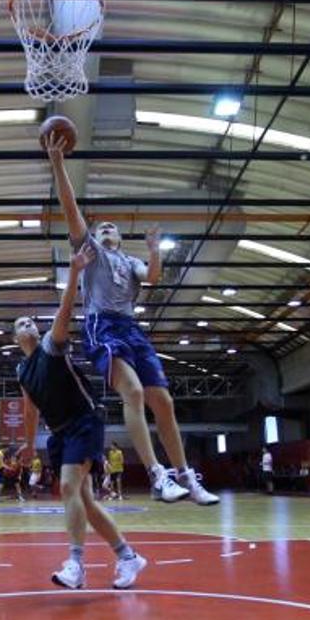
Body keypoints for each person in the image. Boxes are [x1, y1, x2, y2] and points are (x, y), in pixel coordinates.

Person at [45, 132, 217, 506]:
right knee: (134, 392)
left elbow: (153, 277)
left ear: (121, 238)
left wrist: (156, 250)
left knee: (165, 403)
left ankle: (186, 475)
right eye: (101, 226)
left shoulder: (129, 261)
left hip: (132, 328)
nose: (106, 229)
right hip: (101, 324)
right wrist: (58, 164)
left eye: (113, 227)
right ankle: (158, 474)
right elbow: (71, 209)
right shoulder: (90, 250)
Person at [14, 242, 147, 590]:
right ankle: (128, 556)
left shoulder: (50, 344)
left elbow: (65, 308)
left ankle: (75, 563)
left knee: (70, 487)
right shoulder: (21, 371)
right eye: (21, 322)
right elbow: (29, 410)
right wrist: (28, 446)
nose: (28, 323)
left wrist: (74, 271)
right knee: (84, 501)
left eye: (30, 320)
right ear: (16, 337)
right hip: (58, 433)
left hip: (84, 420)